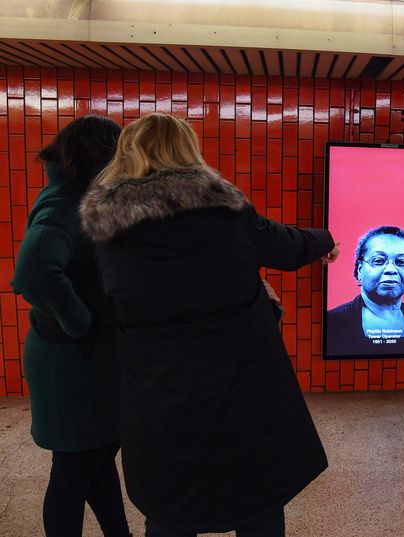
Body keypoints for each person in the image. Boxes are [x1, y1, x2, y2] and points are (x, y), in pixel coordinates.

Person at [79, 112, 339, 537]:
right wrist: (324, 241)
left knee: (170, 513)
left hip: (160, 401)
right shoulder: (229, 214)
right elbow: (287, 245)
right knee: (258, 505)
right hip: (243, 397)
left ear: (128, 155)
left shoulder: (106, 233)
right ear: (188, 152)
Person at [10, 115, 131, 537]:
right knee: (74, 471)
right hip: (72, 366)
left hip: (83, 362)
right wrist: (80, 322)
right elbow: (33, 273)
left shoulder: (76, 196)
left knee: (94, 457)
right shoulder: (62, 203)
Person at [325, 225, 404, 357]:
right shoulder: (333, 322)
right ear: (359, 270)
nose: (391, 269)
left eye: (401, 262)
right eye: (379, 260)